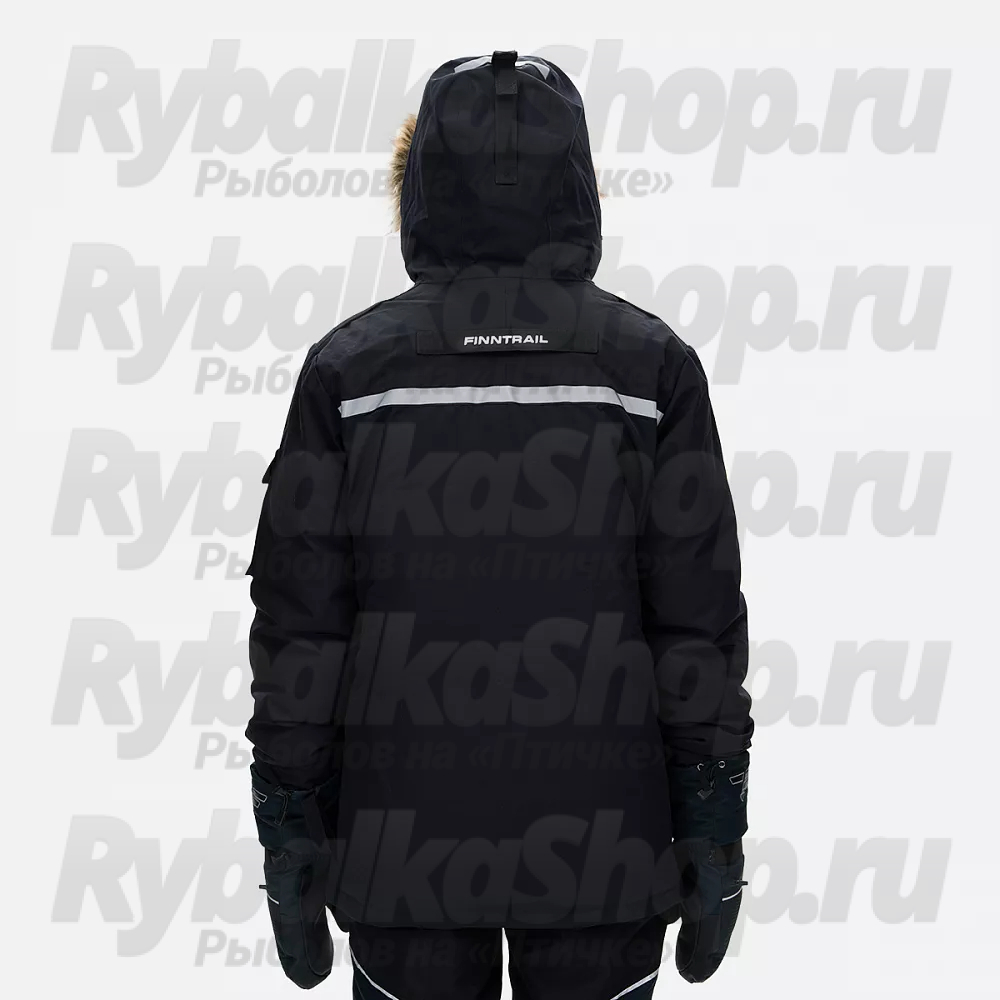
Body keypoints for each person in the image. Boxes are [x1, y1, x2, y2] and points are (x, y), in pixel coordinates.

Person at [245, 50, 753, 999]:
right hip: (605, 851)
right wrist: (715, 817)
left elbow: (302, 625)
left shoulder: (350, 372)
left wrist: (289, 825)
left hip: (402, 854)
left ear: (422, 187)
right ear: (577, 183)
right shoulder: (649, 369)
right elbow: (696, 619)